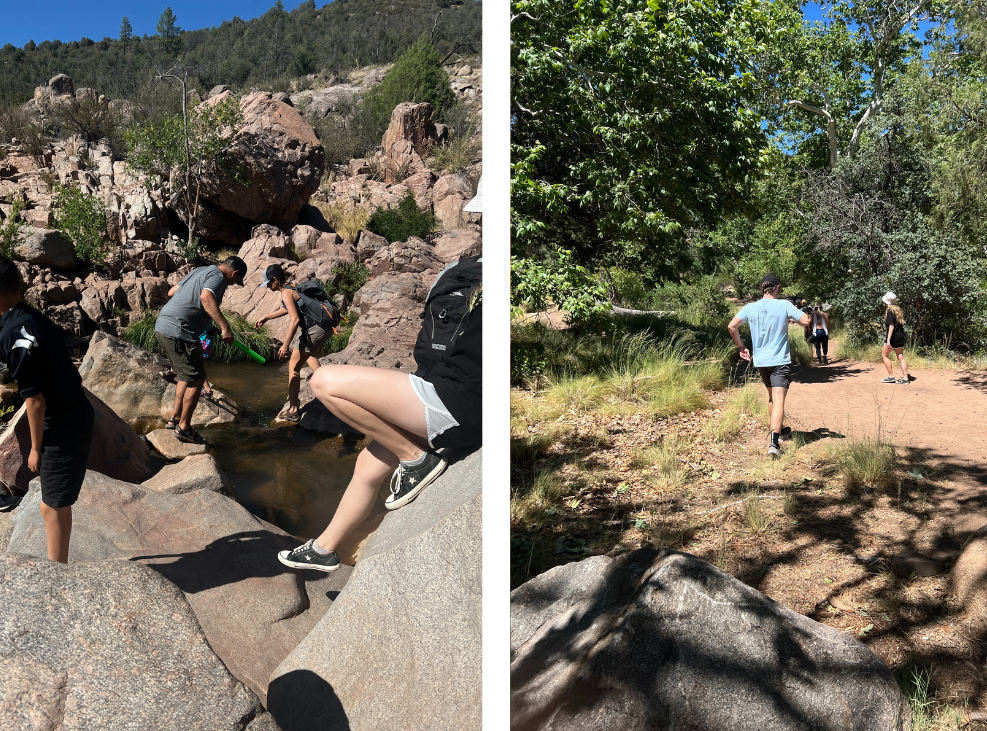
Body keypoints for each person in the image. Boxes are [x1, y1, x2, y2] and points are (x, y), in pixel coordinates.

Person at [277, 256, 482, 572]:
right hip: (447, 393)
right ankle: (323, 549)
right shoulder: (472, 271)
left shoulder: (462, 271)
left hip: (455, 402)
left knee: (324, 381)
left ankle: (415, 458)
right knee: (366, 466)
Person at [0, 254, 94, 563]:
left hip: (63, 424)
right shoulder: (25, 316)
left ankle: (56, 572)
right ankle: (59, 563)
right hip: (71, 412)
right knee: (51, 502)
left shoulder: (15, 334)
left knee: (52, 505)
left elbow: (35, 400)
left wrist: (36, 449)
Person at [154, 256, 247, 444]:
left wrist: (202, 321)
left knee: (184, 376)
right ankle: (184, 428)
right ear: (234, 273)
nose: (233, 284)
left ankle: (174, 419)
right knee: (197, 381)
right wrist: (224, 327)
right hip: (181, 332)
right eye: (236, 281)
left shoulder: (200, 271)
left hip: (163, 326)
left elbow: (173, 292)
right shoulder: (219, 277)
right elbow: (205, 297)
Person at [727, 274, 811, 458]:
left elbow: (732, 327)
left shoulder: (751, 307)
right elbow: (806, 321)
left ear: (762, 289)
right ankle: (774, 444)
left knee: (772, 398)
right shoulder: (784, 305)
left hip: (761, 361)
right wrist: (801, 312)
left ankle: (779, 432)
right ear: (777, 288)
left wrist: (741, 347)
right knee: (779, 399)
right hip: (779, 360)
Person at [254, 263, 330, 422]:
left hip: (314, 329)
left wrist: (285, 345)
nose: (268, 287)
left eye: (268, 283)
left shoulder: (286, 292)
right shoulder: (292, 286)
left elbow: (295, 319)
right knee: (307, 356)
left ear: (275, 279)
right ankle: (328, 388)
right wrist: (267, 316)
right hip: (324, 326)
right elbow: (289, 309)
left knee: (293, 367)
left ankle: (294, 410)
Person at [881, 291, 909, 384]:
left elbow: (891, 326)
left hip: (893, 337)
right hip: (900, 336)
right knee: (900, 356)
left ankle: (891, 376)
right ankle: (905, 378)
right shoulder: (898, 309)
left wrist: (888, 340)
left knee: (884, 355)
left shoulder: (890, 311)